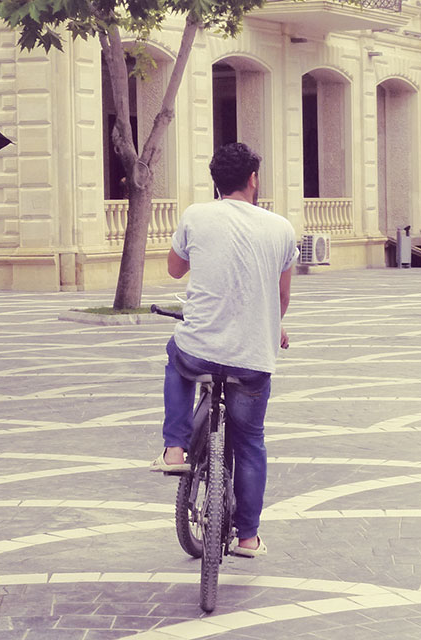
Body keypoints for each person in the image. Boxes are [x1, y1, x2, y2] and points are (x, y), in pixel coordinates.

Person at [149, 143, 298, 558]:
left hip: (200, 348)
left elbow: (174, 269)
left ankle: (175, 448)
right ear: (253, 179)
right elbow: (281, 296)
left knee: (176, 357)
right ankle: (248, 538)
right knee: (250, 442)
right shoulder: (281, 228)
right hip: (253, 358)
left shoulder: (196, 215)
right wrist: (274, 324)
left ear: (215, 182)